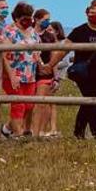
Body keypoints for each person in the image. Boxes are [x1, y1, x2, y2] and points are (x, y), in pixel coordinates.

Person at [44, 0, 96, 139]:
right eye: (91, 12)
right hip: (85, 75)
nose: (93, 15)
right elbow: (64, 50)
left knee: (91, 101)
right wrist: (50, 65)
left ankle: (83, 132)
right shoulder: (79, 31)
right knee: (92, 99)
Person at [0, 2, 42, 139]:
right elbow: (3, 56)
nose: (28, 20)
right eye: (25, 17)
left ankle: (7, 128)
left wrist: (40, 62)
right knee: (18, 104)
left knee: (29, 105)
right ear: (16, 18)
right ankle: (18, 134)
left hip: (30, 75)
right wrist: (11, 75)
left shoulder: (33, 33)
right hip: (13, 74)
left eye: (30, 17)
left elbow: (38, 50)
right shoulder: (9, 32)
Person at [29, 9, 60, 138]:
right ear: (36, 19)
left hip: (46, 74)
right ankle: (30, 129)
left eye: (49, 19)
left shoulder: (50, 36)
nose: (47, 22)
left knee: (43, 103)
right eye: (45, 19)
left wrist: (55, 75)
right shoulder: (29, 34)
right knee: (30, 104)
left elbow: (54, 56)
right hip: (30, 72)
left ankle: (41, 130)